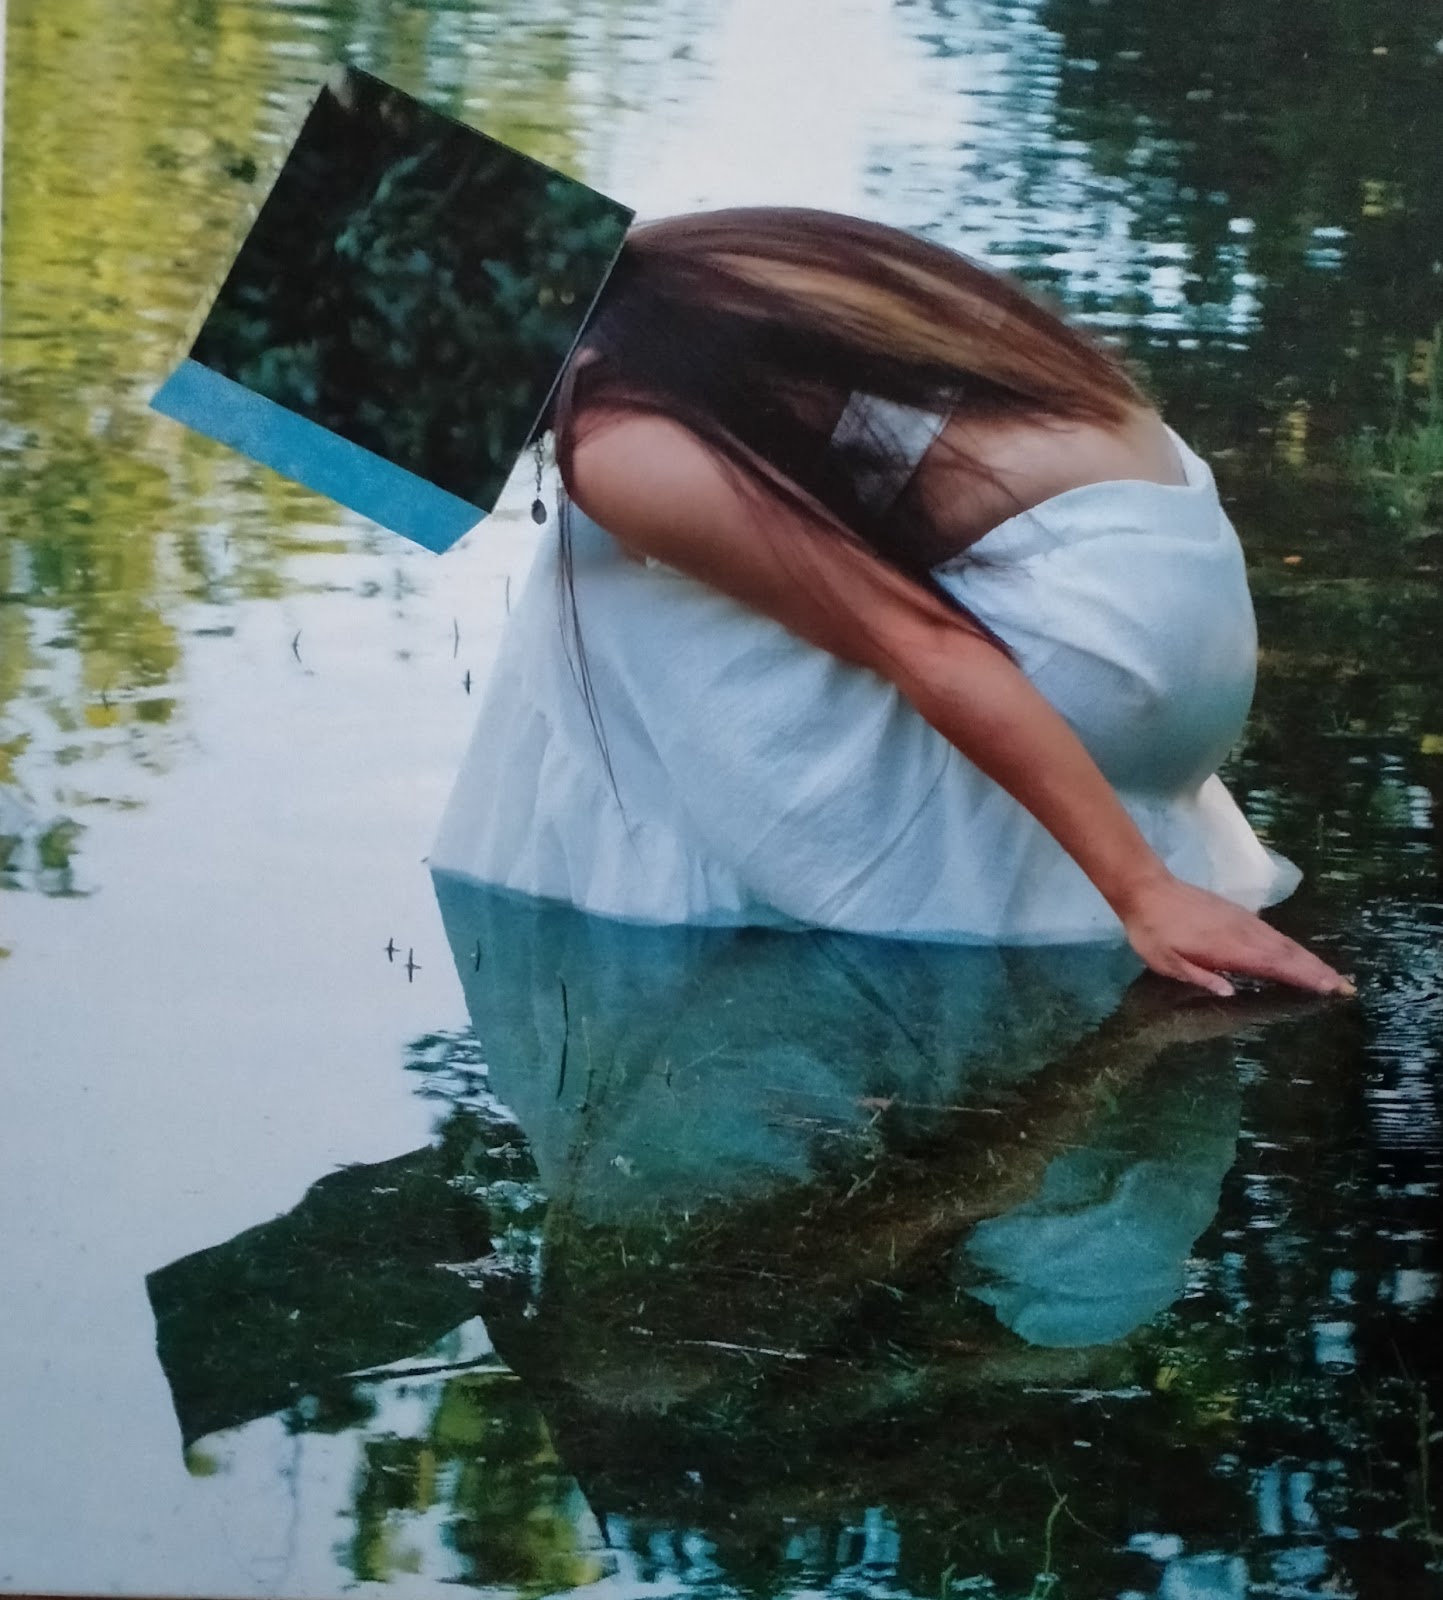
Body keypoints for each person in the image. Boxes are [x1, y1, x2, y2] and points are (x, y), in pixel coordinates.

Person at [431, 207, 1353, 999]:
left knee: (590, 575)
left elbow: (922, 641)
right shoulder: (701, 257)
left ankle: (676, 943)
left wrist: (1143, 894)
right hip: (1183, 603)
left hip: (1112, 676)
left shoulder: (615, 441)